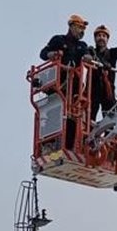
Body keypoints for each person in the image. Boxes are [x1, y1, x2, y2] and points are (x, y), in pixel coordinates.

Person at [39, 14, 94, 150]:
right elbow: (43, 53)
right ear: (71, 26)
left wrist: (88, 57)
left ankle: (68, 146)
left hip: (74, 86)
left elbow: (88, 55)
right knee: (54, 113)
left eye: (83, 29)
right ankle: (48, 144)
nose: (82, 31)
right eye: (79, 28)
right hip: (58, 84)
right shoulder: (58, 40)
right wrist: (50, 54)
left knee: (72, 116)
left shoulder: (82, 46)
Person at [89, 25, 117, 120]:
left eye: (104, 36)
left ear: (107, 39)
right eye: (99, 35)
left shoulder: (112, 53)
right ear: (95, 38)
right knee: (90, 117)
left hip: (108, 91)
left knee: (111, 118)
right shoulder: (91, 52)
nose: (101, 38)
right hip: (93, 90)